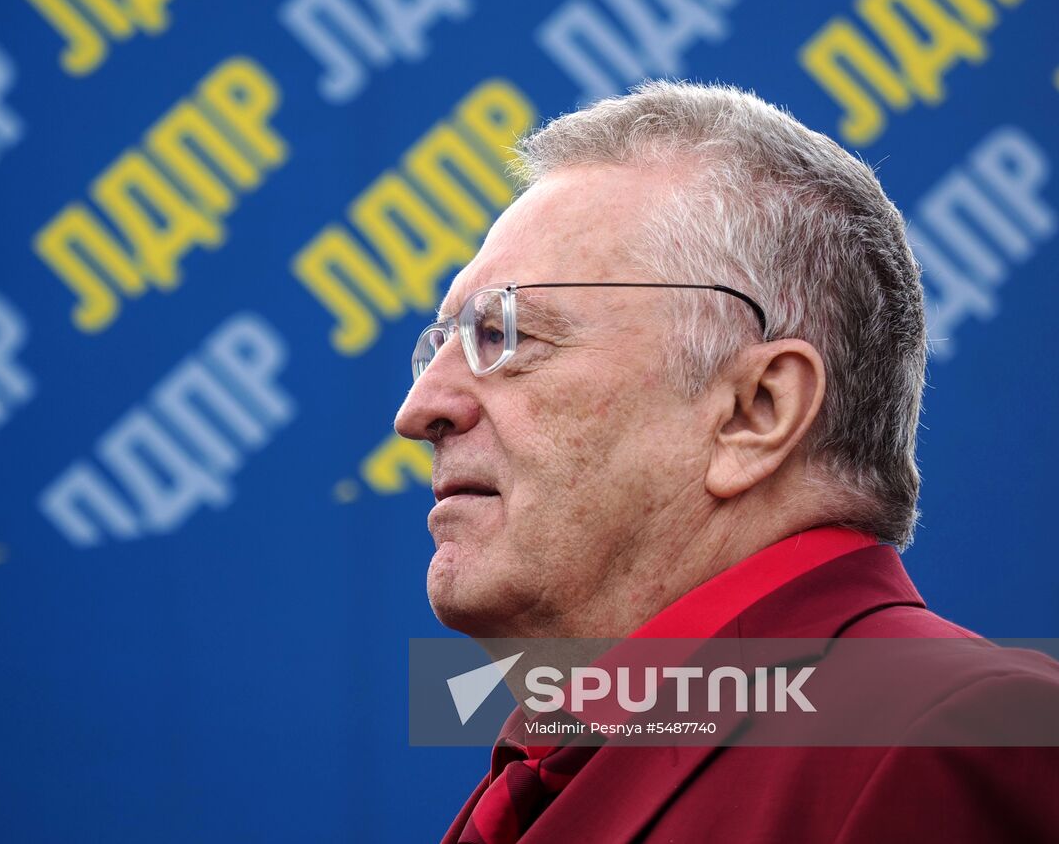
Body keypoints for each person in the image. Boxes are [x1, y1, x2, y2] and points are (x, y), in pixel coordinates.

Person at [393, 81, 1059, 843]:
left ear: (756, 411)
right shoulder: (547, 774)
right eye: (437, 347)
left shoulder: (962, 739)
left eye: (507, 338)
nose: (419, 411)